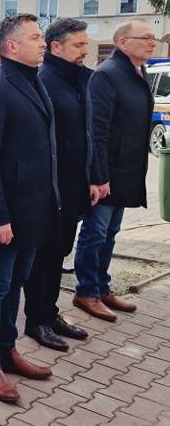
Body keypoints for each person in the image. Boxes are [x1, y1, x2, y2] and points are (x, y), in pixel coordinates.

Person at [0, 13, 59, 403]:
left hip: (33, 212)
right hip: (5, 216)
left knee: (14, 285)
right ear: (12, 46)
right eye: (35, 37)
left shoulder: (35, 81)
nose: (43, 43)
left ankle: (8, 350)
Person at [73, 18, 154, 321]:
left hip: (125, 172)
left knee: (110, 232)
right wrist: (99, 176)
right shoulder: (107, 75)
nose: (152, 42)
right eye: (145, 37)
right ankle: (86, 292)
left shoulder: (137, 71)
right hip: (107, 173)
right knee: (95, 233)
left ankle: (101, 287)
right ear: (123, 42)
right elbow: (97, 131)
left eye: (153, 38)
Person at [23, 18, 92, 351]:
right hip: (49, 190)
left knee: (57, 255)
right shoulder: (44, 81)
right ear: (56, 47)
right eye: (78, 45)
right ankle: (35, 320)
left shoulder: (79, 80)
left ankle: (50, 314)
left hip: (73, 187)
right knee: (42, 257)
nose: (85, 50)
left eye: (85, 44)